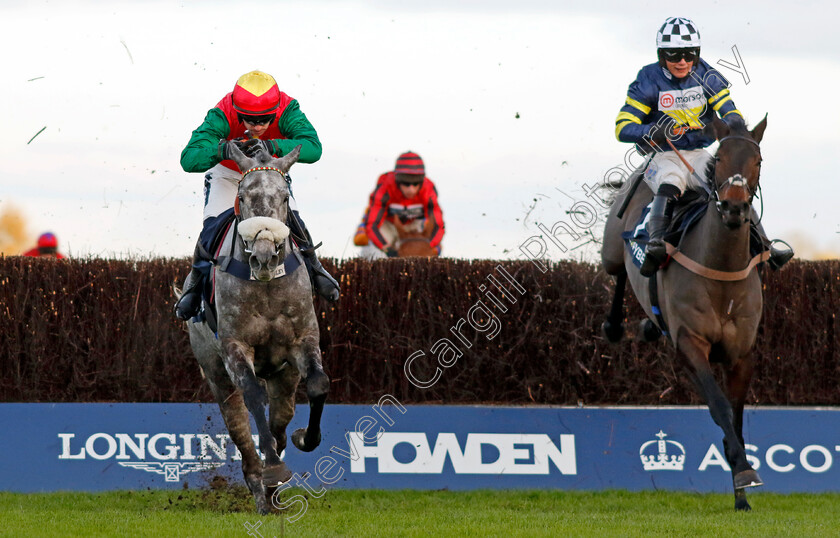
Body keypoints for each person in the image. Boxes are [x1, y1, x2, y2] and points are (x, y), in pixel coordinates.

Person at [615, 17, 793, 276]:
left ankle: (765, 246)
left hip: (699, 153)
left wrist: (736, 130)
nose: (682, 61)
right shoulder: (648, 78)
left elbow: (729, 111)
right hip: (663, 155)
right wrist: (653, 131)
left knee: (733, 185)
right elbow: (623, 127)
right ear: (661, 54)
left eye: (689, 54)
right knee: (672, 180)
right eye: (673, 54)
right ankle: (655, 243)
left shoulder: (708, 75)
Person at [174, 70, 340, 321]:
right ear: (237, 111)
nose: (258, 126)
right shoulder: (221, 112)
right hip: (229, 175)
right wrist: (224, 149)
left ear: (276, 111)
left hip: (269, 173)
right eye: (249, 120)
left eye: (265, 120)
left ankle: (316, 269)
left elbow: (313, 147)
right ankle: (194, 288)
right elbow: (189, 158)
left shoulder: (288, 108)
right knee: (212, 230)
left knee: (293, 220)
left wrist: (273, 146)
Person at [356, 151, 445, 258]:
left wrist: (429, 245)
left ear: (421, 182)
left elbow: (438, 225)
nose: (411, 189)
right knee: (375, 254)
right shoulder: (385, 188)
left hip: (414, 226)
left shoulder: (429, 190)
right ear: (398, 181)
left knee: (424, 256)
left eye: (416, 183)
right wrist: (386, 248)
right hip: (387, 224)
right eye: (406, 183)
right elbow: (373, 224)